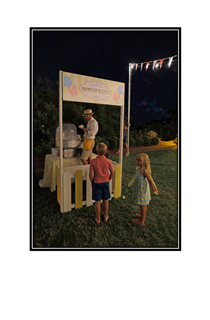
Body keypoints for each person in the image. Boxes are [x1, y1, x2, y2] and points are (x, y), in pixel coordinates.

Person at [89, 142, 114, 225]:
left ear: (96, 151)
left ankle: (98, 218)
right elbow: (112, 173)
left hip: (97, 183)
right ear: (106, 151)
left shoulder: (93, 161)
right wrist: (108, 179)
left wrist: (92, 181)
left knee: (97, 201)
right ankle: (106, 216)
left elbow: (91, 174)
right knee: (106, 200)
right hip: (105, 182)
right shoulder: (108, 161)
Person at [132, 153, 158, 226]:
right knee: (143, 205)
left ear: (144, 162)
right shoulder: (139, 169)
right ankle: (143, 217)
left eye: (139, 160)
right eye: (137, 160)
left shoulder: (144, 171)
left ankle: (141, 221)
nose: (137, 162)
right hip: (140, 191)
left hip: (142, 192)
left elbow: (150, 180)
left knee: (143, 205)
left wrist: (154, 189)